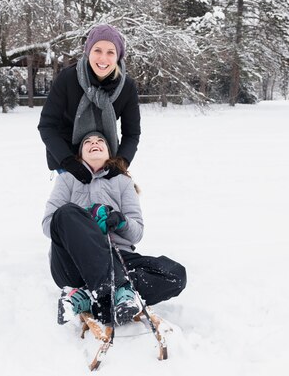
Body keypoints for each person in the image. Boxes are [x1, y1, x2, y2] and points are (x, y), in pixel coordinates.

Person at [42, 131, 186, 326]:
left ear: (109, 152)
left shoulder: (123, 182)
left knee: (175, 274)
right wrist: (86, 219)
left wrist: (120, 221)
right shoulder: (67, 179)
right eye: (88, 142)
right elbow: (48, 224)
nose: (95, 143)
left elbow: (137, 233)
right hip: (73, 262)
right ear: (80, 153)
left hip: (119, 257)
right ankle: (119, 288)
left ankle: (88, 296)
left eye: (101, 141)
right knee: (66, 212)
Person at [37, 24, 141, 184]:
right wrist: (68, 162)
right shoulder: (67, 79)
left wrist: (121, 164)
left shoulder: (127, 87)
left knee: (107, 206)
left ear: (118, 56)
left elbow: (131, 134)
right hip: (68, 155)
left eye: (110, 52)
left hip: (107, 157)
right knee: (74, 206)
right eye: (97, 50)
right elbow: (47, 125)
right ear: (88, 52)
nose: (103, 58)